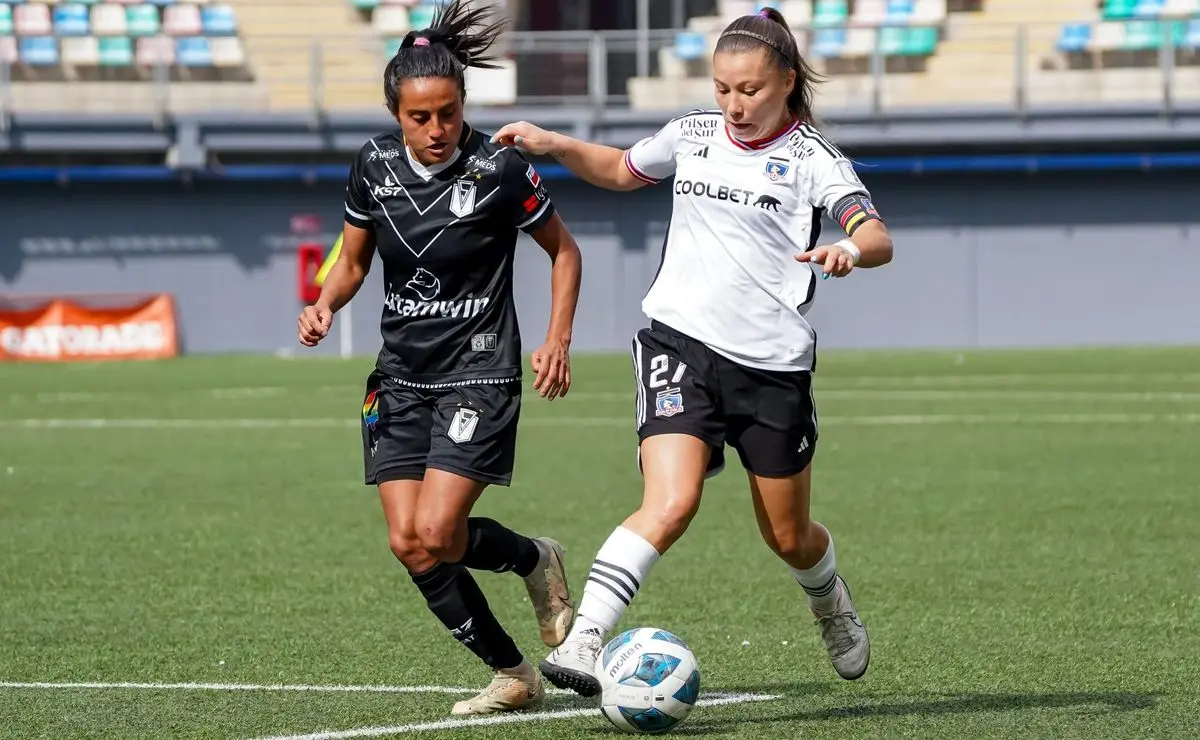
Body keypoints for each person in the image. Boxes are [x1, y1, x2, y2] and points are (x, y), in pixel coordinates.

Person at [492, 7, 893, 696]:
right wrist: (556, 143)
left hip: (771, 370)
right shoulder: (693, 134)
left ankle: (829, 602)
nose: (734, 105)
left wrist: (849, 248)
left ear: (788, 83)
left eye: (751, 90)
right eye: (723, 88)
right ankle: (587, 638)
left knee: (789, 536)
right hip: (679, 344)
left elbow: (877, 234)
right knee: (671, 502)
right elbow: (621, 169)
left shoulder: (814, 161)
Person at [297, 0, 583, 717]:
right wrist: (326, 300)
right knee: (412, 544)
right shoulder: (372, 166)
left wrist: (557, 338)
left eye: (447, 114)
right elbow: (353, 260)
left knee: (437, 531)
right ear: (396, 112)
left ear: (462, 105)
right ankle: (514, 672)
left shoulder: (500, 168)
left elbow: (564, 252)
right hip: (399, 378)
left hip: (479, 372)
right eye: (419, 117)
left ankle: (530, 560)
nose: (435, 130)